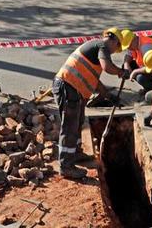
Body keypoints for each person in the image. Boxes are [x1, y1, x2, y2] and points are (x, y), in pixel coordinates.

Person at [53, 27, 130, 179]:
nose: (115, 51)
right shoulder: (101, 46)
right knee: (69, 127)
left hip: (73, 89)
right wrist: (121, 72)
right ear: (113, 39)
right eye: (117, 47)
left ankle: (75, 153)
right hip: (67, 87)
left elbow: (95, 81)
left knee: (78, 123)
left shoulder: (95, 50)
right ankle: (65, 166)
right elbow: (107, 67)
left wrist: (108, 96)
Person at [120, 29, 152, 97]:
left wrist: (135, 71)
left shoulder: (146, 47)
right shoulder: (134, 44)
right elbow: (129, 55)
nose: (128, 48)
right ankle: (148, 88)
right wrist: (126, 64)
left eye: (128, 46)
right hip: (148, 66)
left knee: (140, 77)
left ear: (133, 39)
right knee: (127, 66)